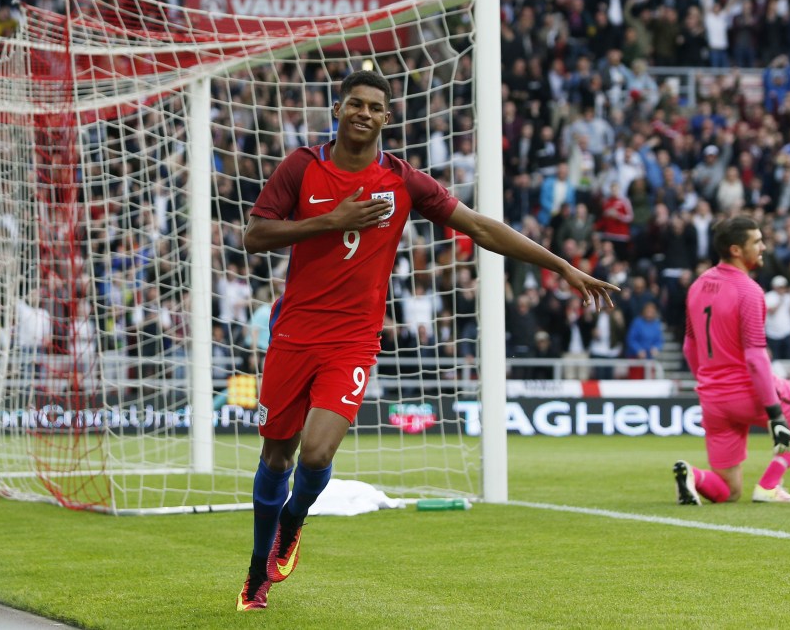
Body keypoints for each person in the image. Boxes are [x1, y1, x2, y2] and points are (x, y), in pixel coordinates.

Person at [236, 69, 620, 611]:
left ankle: (292, 524)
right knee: (276, 457)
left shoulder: (404, 181)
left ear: (388, 118)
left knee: (318, 449)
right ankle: (256, 568)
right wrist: (331, 220)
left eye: (374, 106)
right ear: (338, 109)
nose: (363, 113)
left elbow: (482, 228)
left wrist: (564, 267)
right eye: (355, 104)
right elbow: (254, 234)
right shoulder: (302, 165)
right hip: (294, 333)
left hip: (353, 341)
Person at [674, 216, 790, 506]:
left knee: (729, 492)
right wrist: (775, 415)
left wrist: (708, 385)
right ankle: (770, 485)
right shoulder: (749, 291)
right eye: (756, 242)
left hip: (713, 400)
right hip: (747, 392)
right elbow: (756, 358)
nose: (763, 247)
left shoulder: (697, 286)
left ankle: (693, 475)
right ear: (735, 250)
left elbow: (688, 347)